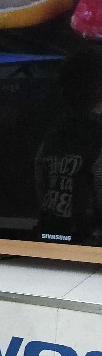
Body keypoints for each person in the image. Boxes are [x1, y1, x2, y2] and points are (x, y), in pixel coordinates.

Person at [35, 45, 102, 245]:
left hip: (49, 232)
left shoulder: (56, 131)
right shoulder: (97, 134)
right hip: (85, 240)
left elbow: (39, 169)